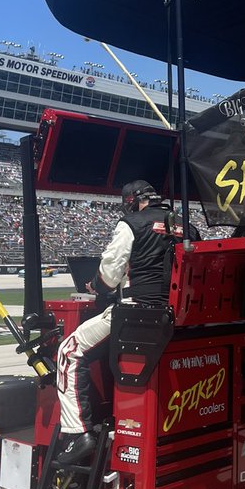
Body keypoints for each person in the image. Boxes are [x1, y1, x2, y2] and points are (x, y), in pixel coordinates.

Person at [55, 180, 180, 465]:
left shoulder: (132, 223)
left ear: (134, 201)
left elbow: (110, 275)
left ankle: (78, 433)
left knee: (68, 351)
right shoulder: (186, 226)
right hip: (175, 314)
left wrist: (96, 285)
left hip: (137, 312)